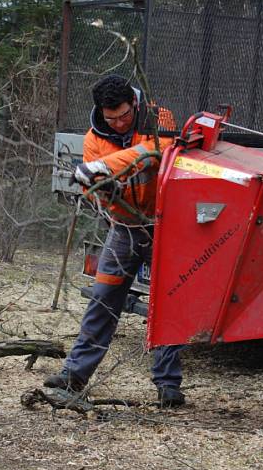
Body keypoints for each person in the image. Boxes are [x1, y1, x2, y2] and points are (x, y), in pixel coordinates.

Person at [43, 74, 186, 407]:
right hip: (124, 228)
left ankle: (168, 385)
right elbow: (91, 187)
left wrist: (103, 167)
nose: (119, 124)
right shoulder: (94, 138)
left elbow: (154, 152)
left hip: (165, 225)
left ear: (134, 104)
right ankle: (74, 376)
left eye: (124, 116)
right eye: (112, 119)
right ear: (100, 113)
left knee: (168, 303)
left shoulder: (158, 119)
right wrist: (106, 193)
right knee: (103, 299)